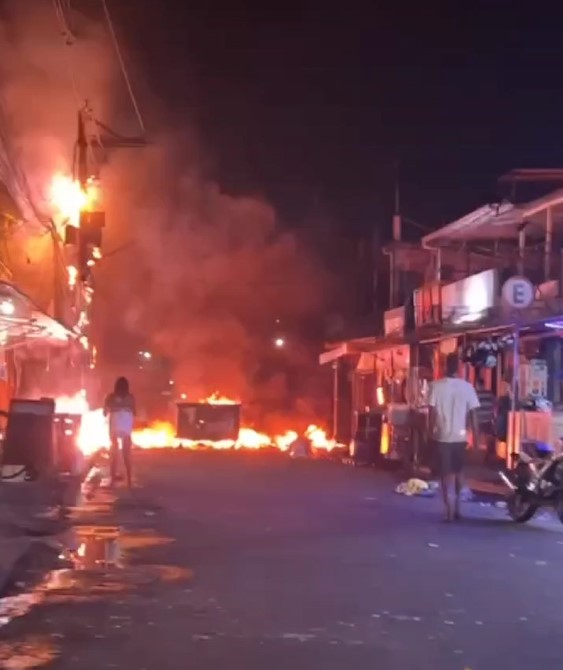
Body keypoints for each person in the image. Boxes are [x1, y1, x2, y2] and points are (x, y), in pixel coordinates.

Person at [428, 353, 480, 521]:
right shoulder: (467, 387)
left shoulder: (435, 386)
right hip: (460, 436)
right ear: (459, 367)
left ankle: (449, 510)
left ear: (444, 366)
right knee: (458, 472)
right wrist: (476, 438)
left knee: (445, 473)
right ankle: (457, 507)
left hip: (442, 435)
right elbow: (473, 415)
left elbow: (431, 414)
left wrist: (429, 432)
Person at [103, 377, 136, 488]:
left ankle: (112, 480)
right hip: (126, 423)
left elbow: (104, 412)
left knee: (114, 451)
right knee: (126, 453)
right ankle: (129, 481)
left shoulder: (111, 397)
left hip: (115, 422)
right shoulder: (131, 398)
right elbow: (134, 412)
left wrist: (113, 408)